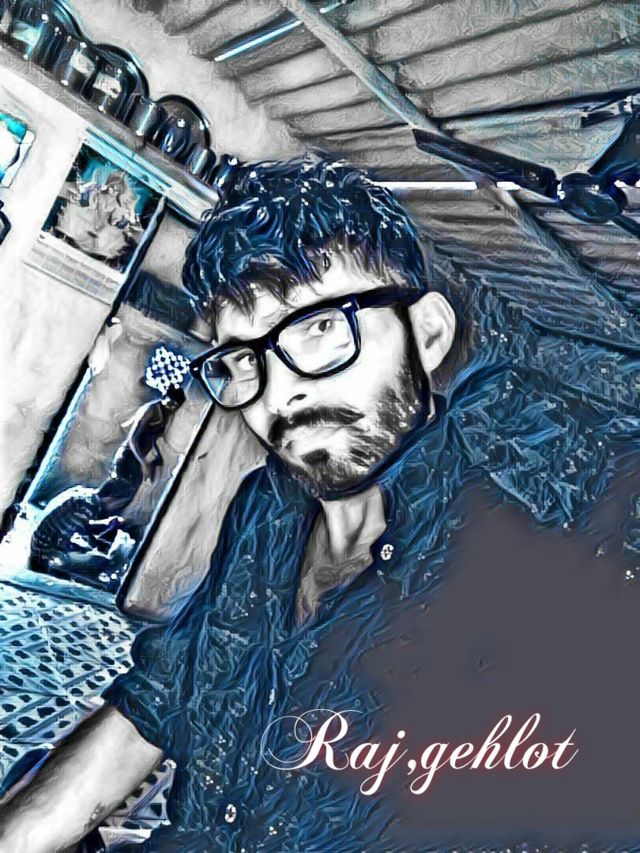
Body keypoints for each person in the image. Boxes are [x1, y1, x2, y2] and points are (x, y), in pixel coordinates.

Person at [0, 159, 639, 852]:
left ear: (427, 334)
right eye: (245, 360)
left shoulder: (536, 523)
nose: (280, 395)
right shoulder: (266, 508)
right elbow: (163, 694)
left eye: (321, 329)